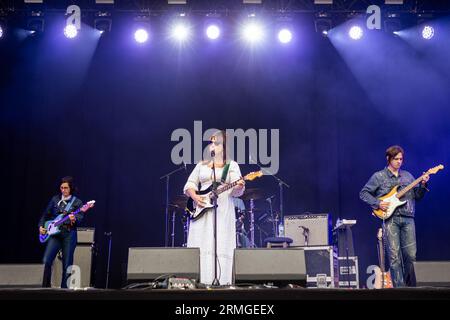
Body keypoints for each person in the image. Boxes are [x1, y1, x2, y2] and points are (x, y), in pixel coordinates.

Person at [360, 145, 429, 287]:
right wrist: (378, 203)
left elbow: (417, 196)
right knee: (394, 257)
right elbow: (364, 193)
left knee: (411, 255)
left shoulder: (408, 176)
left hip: (408, 218)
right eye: (396, 159)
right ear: (388, 159)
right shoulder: (379, 176)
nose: (399, 161)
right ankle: (399, 289)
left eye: (401, 159)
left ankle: (408, 286)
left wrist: (422, 185)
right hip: (391, 219)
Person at [183, 130, 245, 285]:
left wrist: (239, 187)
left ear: (224, 146)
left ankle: (221, 282)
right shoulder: (201, 165)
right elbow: (190, 184)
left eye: (216, 143)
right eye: (211, 143)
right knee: (200, 242)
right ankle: (198, 282)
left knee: (220, 242)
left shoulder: (232, 165)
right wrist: (195, 197)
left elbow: (237, 192)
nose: (212, 146)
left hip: (222, 210)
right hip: (201, 209)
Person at [39, 176, 89, 288]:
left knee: (67, 264)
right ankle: (45, 289)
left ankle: (64, 291)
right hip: (54, 234)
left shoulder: (77, 202)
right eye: (61, 188)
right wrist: (41, 226)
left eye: (65, 188)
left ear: (70, 188)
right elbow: (45, 215)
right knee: (47, 261)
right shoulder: (55, 199)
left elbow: (80, 218)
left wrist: (73, 219)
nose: (63, 190)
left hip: (69, 234)